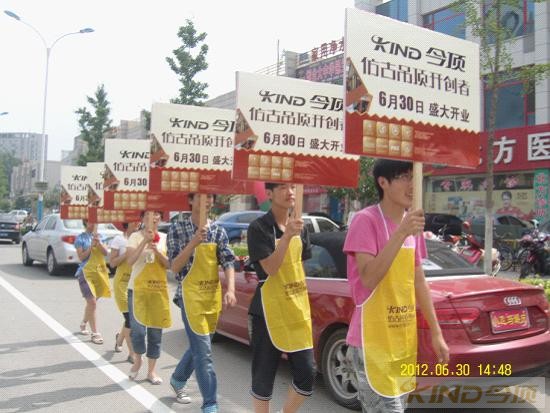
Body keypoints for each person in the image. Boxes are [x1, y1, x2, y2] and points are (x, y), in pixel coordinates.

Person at [343, 159, 449, 413]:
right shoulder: (365, 220)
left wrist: (436, 333)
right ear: (383, 182)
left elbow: (418, 281)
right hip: (372, 342)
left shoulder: (411, 224)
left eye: (415, 177)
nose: (412, 185)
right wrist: (401, 233)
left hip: (402, 340)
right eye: (404, 177)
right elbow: (368, 279)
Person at [247, 182, 314, 413]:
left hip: (296, 308)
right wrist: (286, 237)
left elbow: (299, 267)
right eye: (283, 187)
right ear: (269, 193)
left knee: (307, 374)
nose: (290, 192)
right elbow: (270, 269)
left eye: (293, 186)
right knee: (263, 376)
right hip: (267, 312)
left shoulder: (302, 227)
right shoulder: (259, 228)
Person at [167, 193, 237, 413]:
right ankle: (210, 404)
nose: (207, 200)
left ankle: (178, 378)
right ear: (191, 200)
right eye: (201, 196)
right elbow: (174, 267)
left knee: (200, 346)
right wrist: (194, 242)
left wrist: (231, 290)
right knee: (204, 352)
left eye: (210, 197)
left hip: (211, 298)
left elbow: (228, 261)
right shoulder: (177, 228)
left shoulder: (218, 230)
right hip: (189, 297)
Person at [125, 210, 170, 384]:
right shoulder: (135, 237)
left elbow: (170, 264)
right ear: (142, 218)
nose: (153, 218)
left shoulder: (165, 238)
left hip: (157, 291)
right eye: (148, 215)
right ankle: (138, 359)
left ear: (161, 218)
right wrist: (145, 241)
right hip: (137, 290)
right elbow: (129, 261)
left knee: (155, 333)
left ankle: (151, 371)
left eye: (157, 214)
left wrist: (157, 251)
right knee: (137, 331)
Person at [75, 219, 111, 345]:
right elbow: (81, 257)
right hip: (85, 273)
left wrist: (98, 242)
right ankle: (95, 333)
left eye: (95, 222)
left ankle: (84, 322)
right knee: (92, 302)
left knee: (92, 303)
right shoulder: (80, 238)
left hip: (99, 273)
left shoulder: (101, 237)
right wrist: (91, 246)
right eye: (90, 221)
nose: (94, 224)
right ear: (86, 222)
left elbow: (106, 253)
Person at [109, 220, 140, 363]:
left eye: (139, 221)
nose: (138, 223)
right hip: (122, 283)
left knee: (131, 318)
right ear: (127, 223)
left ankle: (119, 338)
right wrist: (126, 254)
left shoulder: (140, 238)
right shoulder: (119, 239)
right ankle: (132, 353)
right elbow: (112, 263)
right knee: (130, 319)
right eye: (135, 221)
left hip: (135, 283)